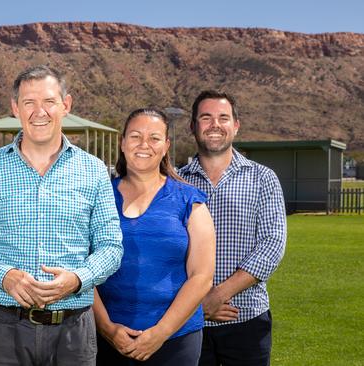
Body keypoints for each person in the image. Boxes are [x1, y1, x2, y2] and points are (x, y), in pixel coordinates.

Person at [0, 65, 124, 366]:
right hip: (3, 328)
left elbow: (111, 247)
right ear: (15, 108)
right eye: (29, 103)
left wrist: (77, 279)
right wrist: (3, 276)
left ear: (66, 105)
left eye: (48, 101)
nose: (39, 112)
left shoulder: (94, 170)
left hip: (74, 330)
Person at [94, 108, 216, 365]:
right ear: (123, 143)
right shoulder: (99, 197)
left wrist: (160, 333)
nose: (144, 145)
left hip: (176, 340)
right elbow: (82, 266)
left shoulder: (189, 200)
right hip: (107, 339)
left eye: (154, 138)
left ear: (166, 146)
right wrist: (107, 328)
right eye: (136, 136)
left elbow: (202, 276)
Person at [178, 90, 286, 366]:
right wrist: (198, 303)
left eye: (223, 117)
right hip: (187, 322)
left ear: (236, 125)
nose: (215, 124)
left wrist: (217, 296)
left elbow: (272, 245)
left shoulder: (263, 178)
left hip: (247, 319)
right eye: (206, 117)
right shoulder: (175, 182)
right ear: (193, 126)